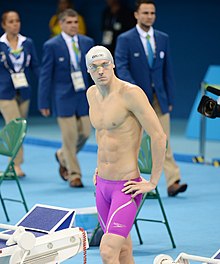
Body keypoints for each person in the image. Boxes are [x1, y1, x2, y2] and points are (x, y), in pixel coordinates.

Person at [86, 45, 167, 263]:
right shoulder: (91, 94)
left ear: (112, 64)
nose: (100, 70)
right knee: (123, 251)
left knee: (107, 251)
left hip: (126, 186)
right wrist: (98, 166)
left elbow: (159, 136)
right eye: (94, 67)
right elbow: (103, 136)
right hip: (102, 185)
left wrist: (153, 181)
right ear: (89, 71)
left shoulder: (131, 93)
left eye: (104, 64)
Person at [115, 0, 187, 197]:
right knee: (136, 142)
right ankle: (139, 183)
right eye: (145, 12)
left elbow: (167, 70)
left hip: (159, 99)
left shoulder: (163, 38)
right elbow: (121, 67)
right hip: (135, 100)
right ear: (136, 15)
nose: (149, 16)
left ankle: (173, 181)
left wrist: (169, 97)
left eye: (152, 13)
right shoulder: (125, 39)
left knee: (162, 139)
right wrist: (135, 92)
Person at [38, 9, 94, 188]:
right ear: (61, 24)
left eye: (75, 22)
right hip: (62, 96)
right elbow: (45, 75)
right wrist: (43, 102)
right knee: (69, 137)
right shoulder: (52, 45)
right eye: (69, 22)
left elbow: (92, 71)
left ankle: (62, 156)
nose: (73, 25)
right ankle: (74, 174)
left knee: (85, 132)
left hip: (83, 95)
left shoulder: (87, 42)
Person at [0, 11, 39, 177]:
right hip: (4, 92)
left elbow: (35, 66)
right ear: (4, 25)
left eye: (17, 21)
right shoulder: (0, 44)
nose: (15, 24)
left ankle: (14, 164)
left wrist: (44, 85)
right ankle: (14, 166)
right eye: (11, 21)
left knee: (21, 129)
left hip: (23, 91)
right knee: (14, 126)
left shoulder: (27, 43)